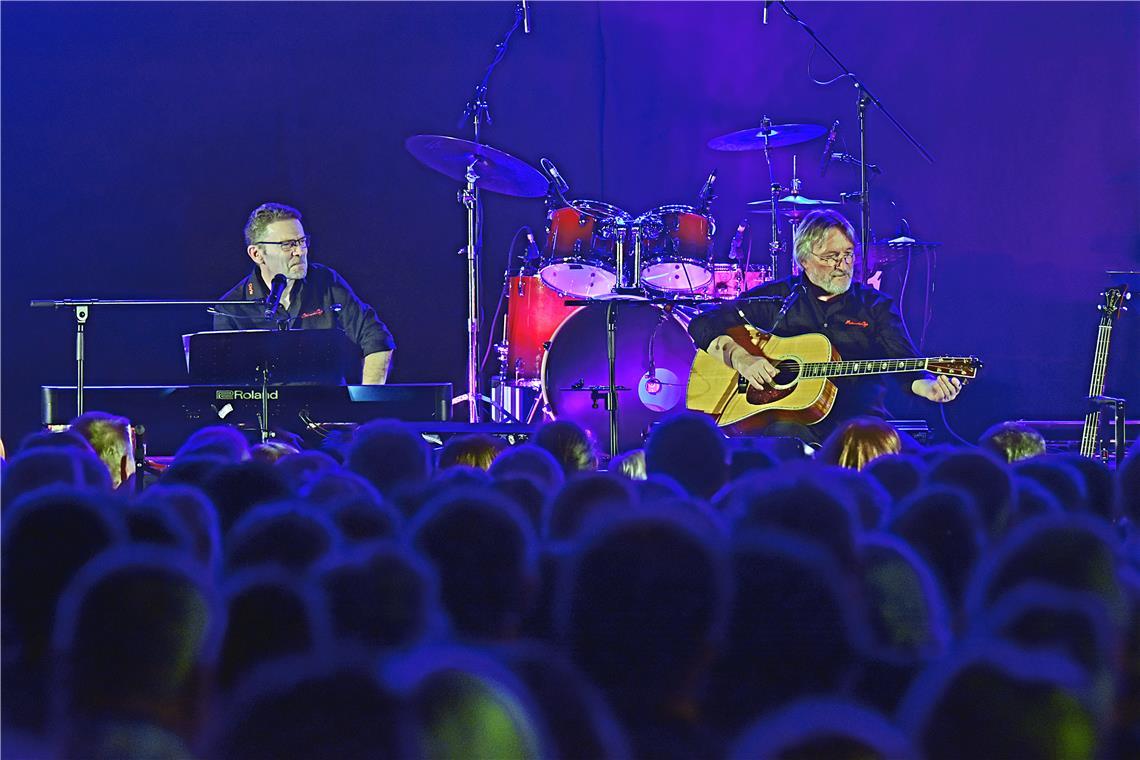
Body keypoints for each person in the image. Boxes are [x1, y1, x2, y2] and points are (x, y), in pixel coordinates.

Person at [687, 210, 961, 445]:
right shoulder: (777, 298)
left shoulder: (875, 306)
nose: (842, 266)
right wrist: (742, 359)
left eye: (848, 255)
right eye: (831, 257)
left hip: (860, 423)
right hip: (791, 425)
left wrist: (928, 386)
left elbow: (906, 365)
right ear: (803, 260)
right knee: (784, 438)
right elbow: (704, 322)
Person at [214, 203, 395, 384]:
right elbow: (225, 382)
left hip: (329, 409)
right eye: (287, 245)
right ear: (257, 254)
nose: (300, 251)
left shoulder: (326, 281)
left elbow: (376, 337)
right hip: (264, 411)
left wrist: (366, 402)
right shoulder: (231, 308)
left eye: (302, 241)